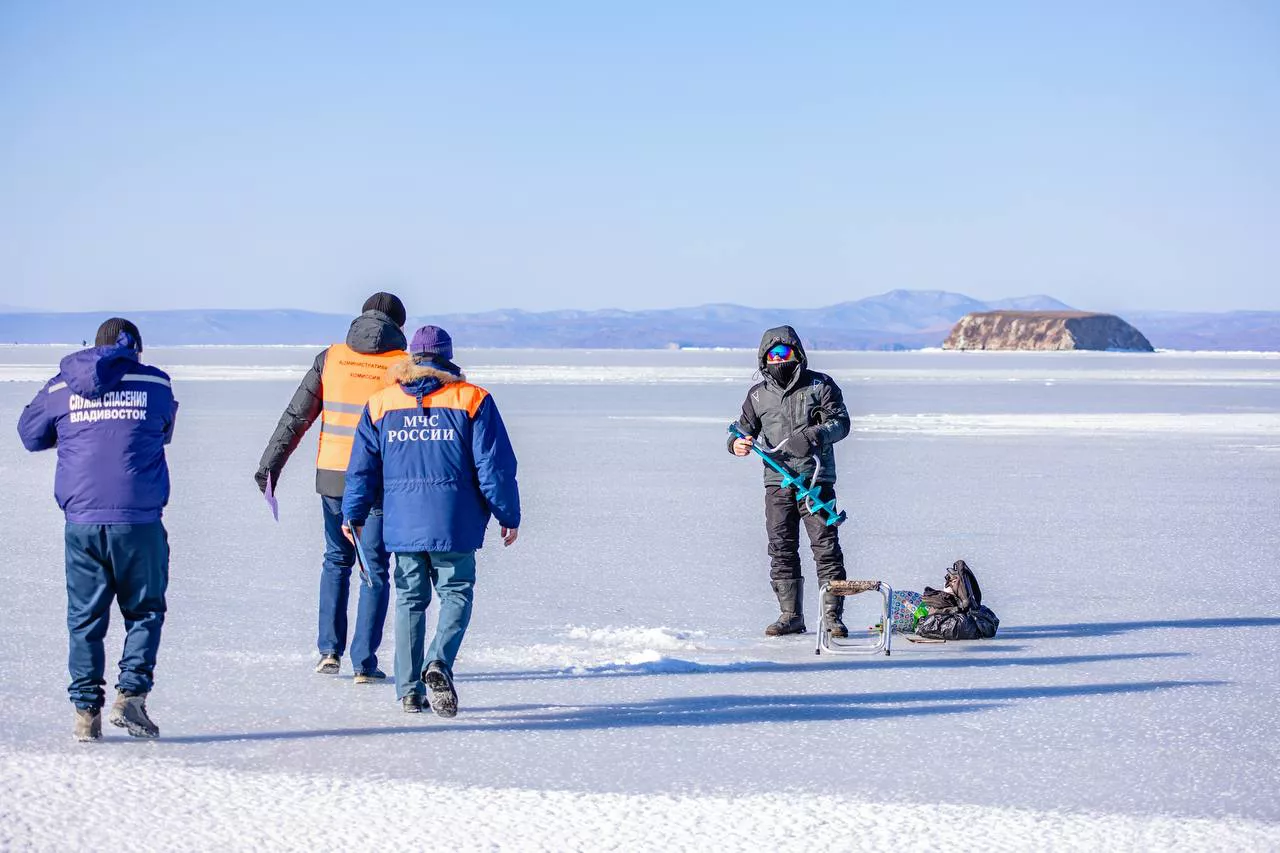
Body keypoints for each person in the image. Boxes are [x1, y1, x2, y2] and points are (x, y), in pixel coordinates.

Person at [343, 325, 520, 717]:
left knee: (410, 600)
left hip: (403, 525)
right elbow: (495, 468)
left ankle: (409, 692)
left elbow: (361, 469)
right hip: (455, 522)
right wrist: (508, 514)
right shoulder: (472, 399)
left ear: (411, 356)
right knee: (456, 593)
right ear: (447, 356)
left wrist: (352, 513)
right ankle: (438, 661)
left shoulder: (381, 403)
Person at [17, 318, 178, 741]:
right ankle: (132, 697)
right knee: (144, 610)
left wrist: (73, 427)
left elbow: (29, 435)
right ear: (135, 350)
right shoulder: (156, 383)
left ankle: (86, 714)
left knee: (85, 618)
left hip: (83, 522)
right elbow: (165, 431)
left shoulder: (61, 386)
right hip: (139, 521)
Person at [255, 293, 407, 681]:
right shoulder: (402, 365)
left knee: (335, 559)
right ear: (398, 326)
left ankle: (329, 651)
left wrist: (271, 464)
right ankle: (364, 662)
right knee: (373, 567)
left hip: (333, 477)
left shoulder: (331, 358)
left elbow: (297, 417)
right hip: (380, 482)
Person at [728, 326, 852, 638]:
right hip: (777, 483)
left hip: (815, 481)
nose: (779, 359)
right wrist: (736, 444)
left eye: (785, 352)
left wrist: (813, 435)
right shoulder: (757, 396)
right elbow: (742, 431)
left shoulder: (820, 385)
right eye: (773, 354)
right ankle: (790, 615)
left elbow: (842, 424)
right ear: (763, 358)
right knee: (781, 548)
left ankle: (832, 617)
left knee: (826, 548)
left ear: (798, 353)